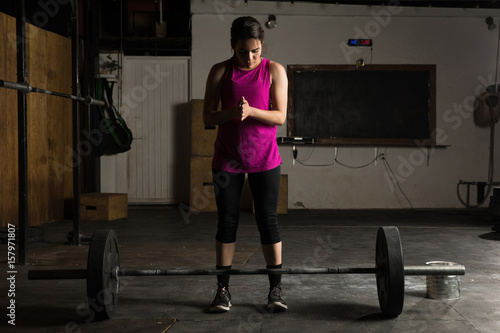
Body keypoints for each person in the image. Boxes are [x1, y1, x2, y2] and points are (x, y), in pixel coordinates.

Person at [202, 16, 288, 313]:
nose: (250, 57)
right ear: (232, 46)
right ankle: (222, 291)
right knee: (227, 221)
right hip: (227, 160)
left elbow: (280, 117)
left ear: (261, 45)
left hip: (265, 159)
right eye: (243, 51)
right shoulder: (220, 72)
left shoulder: (275, 70)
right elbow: (207, 118)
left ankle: (275, 289)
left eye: (256, 50)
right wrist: (232, 113)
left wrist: (251, 111)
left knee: (267, 220)